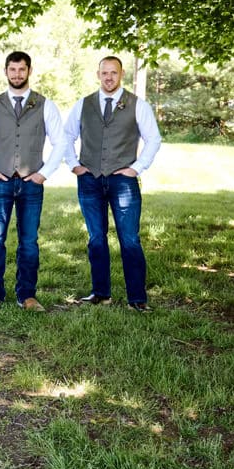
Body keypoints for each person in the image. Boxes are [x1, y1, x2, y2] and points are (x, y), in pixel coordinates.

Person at [63, 55, 162, 311]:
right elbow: (66, 135)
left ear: (122, 74)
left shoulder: (138, 105)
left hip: (123, 181)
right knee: (96, 238)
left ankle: (137, 299)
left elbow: (153, 139)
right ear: (98, 75)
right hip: (90, 180)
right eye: (104, 73)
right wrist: (74, 165)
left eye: (113, 73)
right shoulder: (83, 104)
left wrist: (136, 168)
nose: (109, 77)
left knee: (129, 239)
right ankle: (100, 293)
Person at [0, 51, 65, 311]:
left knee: (29, 241)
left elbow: (60, 142)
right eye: (12, 70)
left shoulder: (45, 105)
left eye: (21, 69)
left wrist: (44, 173)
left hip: (31, 183)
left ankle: (27, 295)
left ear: (29, 71)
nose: (16, 74)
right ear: (6, 72)